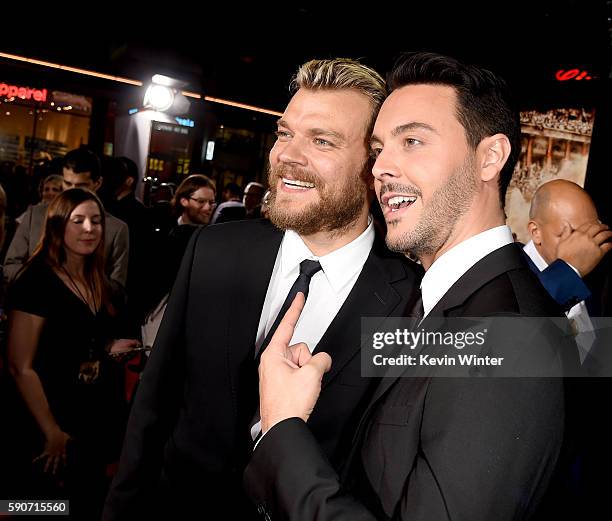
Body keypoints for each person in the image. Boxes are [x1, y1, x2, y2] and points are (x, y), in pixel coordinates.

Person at [245, 52, 574, 521]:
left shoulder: (513, 334)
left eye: (413, 141)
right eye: (379, 150)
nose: (380, 168)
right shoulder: (435, 296)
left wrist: (283, 427)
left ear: (490, 157)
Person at [103, 58, 421, 520]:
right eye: (285, 133)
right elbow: (154, 406)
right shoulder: (213, 250)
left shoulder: (414, 300)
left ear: (375, 167)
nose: (287, 154)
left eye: (322, 140)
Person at [3, 188, 139, 519]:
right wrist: (50, 431)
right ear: (57, 226)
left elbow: (82, 339)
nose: (89, 229)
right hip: (45, 418)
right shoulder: (36, 281)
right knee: (32, 508)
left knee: (83, 505)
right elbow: (20, 367)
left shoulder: (101, 283)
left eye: (96, 221)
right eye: (78, 220)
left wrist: (110, 348)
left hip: (90, 421)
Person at [3, 147, 130, 287]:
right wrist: (39, 282)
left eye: (81, 186)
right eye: (68, 183)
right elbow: (11, 265)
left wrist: (81, 282)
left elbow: (117, 290)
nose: (72, 191)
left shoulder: (116, 229)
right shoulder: (36, 215)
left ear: (97, 183)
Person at [524, 180, 612, 351]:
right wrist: (568, 270)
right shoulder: (507, 271)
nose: (583, 245)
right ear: (536, 232)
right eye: (570, 234)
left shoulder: (595, 269)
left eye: (590, 233)